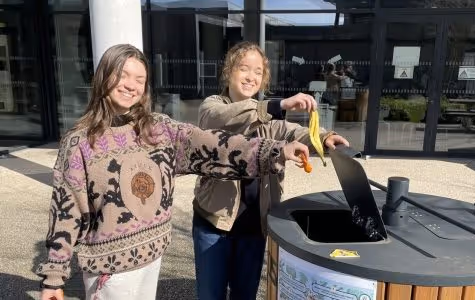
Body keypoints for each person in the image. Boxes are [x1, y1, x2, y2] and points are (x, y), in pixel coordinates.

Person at [35, 44, 310, 300]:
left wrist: (275, 152)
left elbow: (214, 146)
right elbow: (65, 211)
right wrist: (54, 277)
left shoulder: (158, 130)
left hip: (152, 258)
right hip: (110, 268)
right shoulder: (80, 142)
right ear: (103, 75)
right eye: (122, 75)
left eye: (139, 80)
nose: (131, 85)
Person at [192, 41, 350, 300]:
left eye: (258, 72)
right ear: (228, 72)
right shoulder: (211, 106)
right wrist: (279, 105)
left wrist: (323, 137)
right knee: (210, 294)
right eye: (244, 68)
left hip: (254, 226)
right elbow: (223, 118)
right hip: (213, 224)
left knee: (246, 294)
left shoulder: (269, 121)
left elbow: (293, 132)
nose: (251, 76)